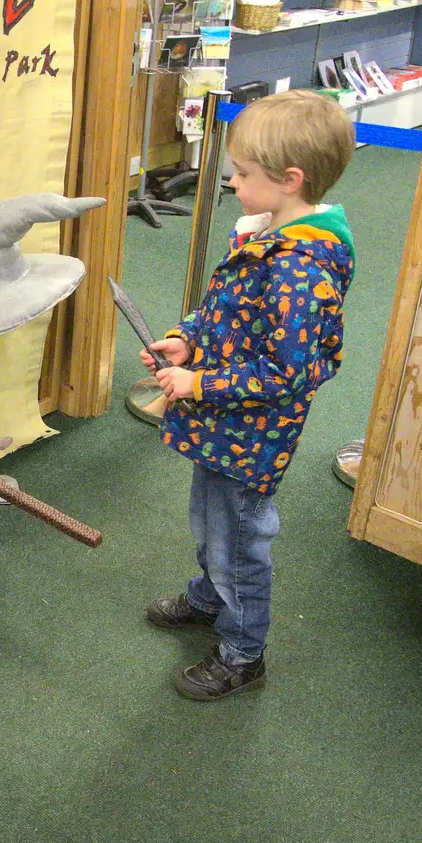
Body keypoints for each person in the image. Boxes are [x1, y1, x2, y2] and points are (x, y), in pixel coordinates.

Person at [141, 89, 356, 701]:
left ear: (290, 180)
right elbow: (226, 312)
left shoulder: (300, 267)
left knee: (240, 534)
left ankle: (243, 650)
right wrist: (187, 340)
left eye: (242, 173)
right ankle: (211, 597)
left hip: (252, 435)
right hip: (224, 429)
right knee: (212, 519)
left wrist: (199, 383)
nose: (232, 182)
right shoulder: (267, 235)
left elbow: (287, 373)